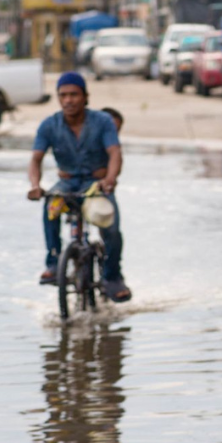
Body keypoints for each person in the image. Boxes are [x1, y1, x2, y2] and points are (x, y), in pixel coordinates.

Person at [28, 72, 131, 302]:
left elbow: (115, 153)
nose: (68, 100)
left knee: (111, 226)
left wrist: (110, 180)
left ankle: (113, 277)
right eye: (63, 95)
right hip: (66, 184)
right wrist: (35, 186)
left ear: (85, 97)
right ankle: (54, 263)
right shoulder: (49, 125)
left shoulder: (102, 122)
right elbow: (36, 159)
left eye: (74, 94)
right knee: (50, 208)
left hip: (96, 185)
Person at [58, 108, 123, 182]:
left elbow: (117, 167)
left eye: (114, 131)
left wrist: (108, 174)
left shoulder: (114, 148)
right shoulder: (81, 141)